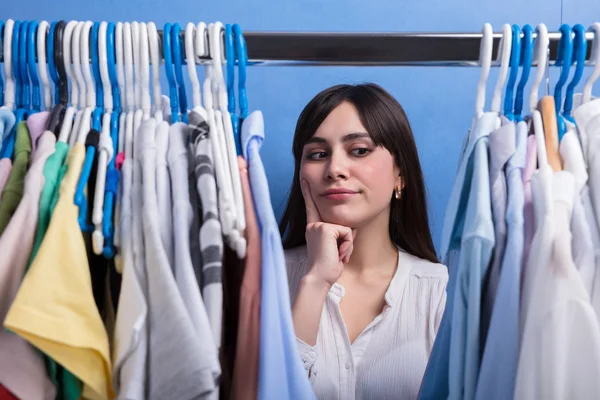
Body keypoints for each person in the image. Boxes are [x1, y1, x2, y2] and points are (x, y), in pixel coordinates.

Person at [279, 83, 448, 399]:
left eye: (359, 150)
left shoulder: (440, 292)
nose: (335, 169)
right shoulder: (267, 278)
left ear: (401, 174)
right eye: (317, 154)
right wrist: (315, 282)